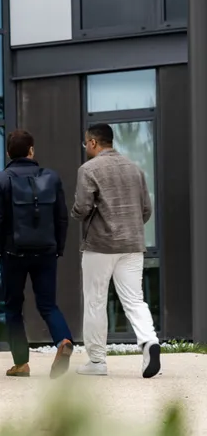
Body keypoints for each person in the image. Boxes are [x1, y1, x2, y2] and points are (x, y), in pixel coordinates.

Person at [72, 122, 160, 378]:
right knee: (134, 299)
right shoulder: (135, 169)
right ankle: (149, 342)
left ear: (92, 143)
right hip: (131, 245)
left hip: (100, 246)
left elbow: (82, 207)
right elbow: (146, 209)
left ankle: (97, 362)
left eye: (85, 143)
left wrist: (76, 214)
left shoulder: (88, 169)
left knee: (95, 301)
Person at [0, 129, 74, 378]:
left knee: (13, 308)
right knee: (48, 305)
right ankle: (63, 341)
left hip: (13, 253)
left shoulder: (0, 180)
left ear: (8, 153)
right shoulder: (52, 177)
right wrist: (59, 247)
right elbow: (61, 217)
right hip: (46, 251)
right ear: (31, 150)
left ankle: (21, 364)